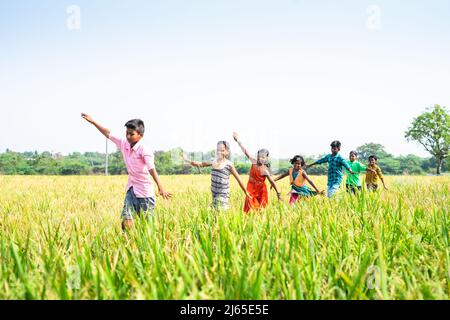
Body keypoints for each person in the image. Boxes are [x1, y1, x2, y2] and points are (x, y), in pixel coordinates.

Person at [81, 113, 172, 231]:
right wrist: (93, 122)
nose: (128, 136)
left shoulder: (144, 151)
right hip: (131, 189)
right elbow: (108, 133)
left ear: (140, 135)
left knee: (147, 226)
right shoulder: (124, 144)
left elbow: (151, 169)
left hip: (145, 193)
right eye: (127, 133)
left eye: (131, 134)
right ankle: (127, 242)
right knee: (126, 219)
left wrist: (161, 187)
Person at [182, 141, 251, 210]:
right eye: (218, 150)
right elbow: (200, 164)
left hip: (223, 196)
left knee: (213, 212)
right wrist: (186, 160)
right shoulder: (213, 161)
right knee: (214, 215)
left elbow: (239, 179)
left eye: (222, 150)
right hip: (214, 195)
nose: (219, 152)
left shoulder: (229, 164)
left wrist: (246, 192)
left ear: (227, 152)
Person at [233, 132, 282, 213]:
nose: (261, 158)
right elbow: (245, 151)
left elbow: (272, 182)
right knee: (251, 206)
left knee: (260, 210)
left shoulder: (265, 170)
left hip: (261, 190)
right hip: (251, 187)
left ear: (266, 158)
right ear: (257, 156)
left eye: (263, 157)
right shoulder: (253, 161)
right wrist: (238, 140)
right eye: (260, 156)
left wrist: (278, 193)